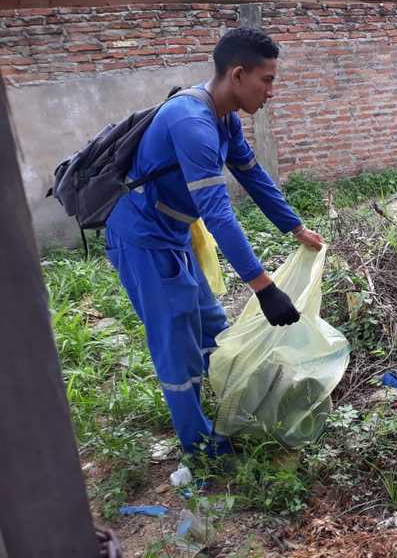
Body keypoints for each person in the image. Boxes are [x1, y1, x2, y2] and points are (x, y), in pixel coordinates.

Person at [105, 27, 323, 457]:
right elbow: (219, 213)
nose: (272, 91)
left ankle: (234, 407)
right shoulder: (191, 122)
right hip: (143, 238)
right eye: (268, 79)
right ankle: (201, 446)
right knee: (175, 342)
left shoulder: (225, 119)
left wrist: (295, 228)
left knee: (211, 326)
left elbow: (254, 176)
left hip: (175, 232)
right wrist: (263, 287)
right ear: (238, 75)